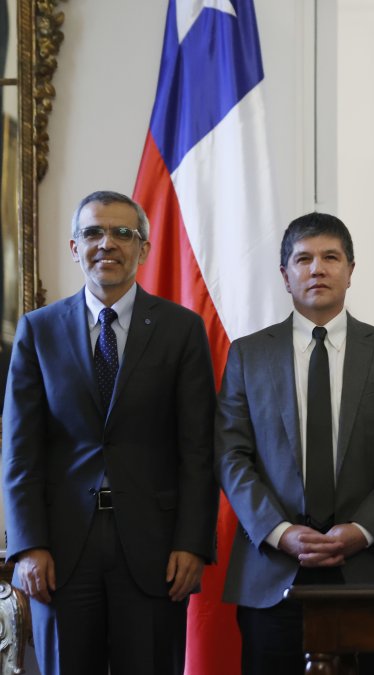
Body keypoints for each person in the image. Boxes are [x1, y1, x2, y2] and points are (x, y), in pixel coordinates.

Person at [2, 190, 218, 675]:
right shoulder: (38, 330)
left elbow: (198, 448)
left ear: (143, 248)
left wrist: (192, 541)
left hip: (156, 549)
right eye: (94, 232)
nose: (108, 243)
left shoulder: (182, 330)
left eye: (124, 232)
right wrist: (28, 544)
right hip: (61, 550)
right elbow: (21, 452)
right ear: (76, 247)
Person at [215, 213, 374, 675]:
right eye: (303, 259)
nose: (317, 269)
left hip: (368, 569)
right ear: (284, 274)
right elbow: (232, 455)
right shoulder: (249, 355)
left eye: (331, 257)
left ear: (351, 269)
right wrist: (280, 531)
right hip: (272, 573)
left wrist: (363, 529)